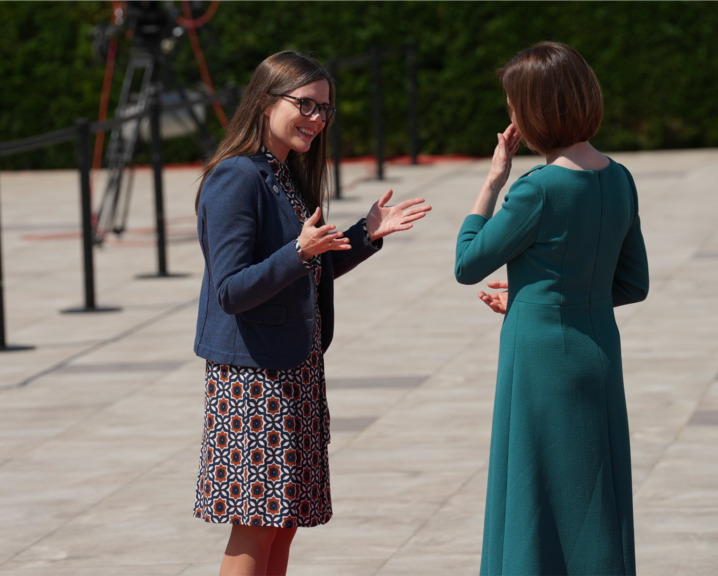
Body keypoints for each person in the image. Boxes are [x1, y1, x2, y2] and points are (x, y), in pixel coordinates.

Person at [192, 51, 431, 576]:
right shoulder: (236, 177)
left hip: (292, 371)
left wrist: (364, 236)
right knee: (256, 526)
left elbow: (304, 268)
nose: (317, 119)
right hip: (255, 380)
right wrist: (298, 252)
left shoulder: (279, 173)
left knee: (282, 522)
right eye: (306, 104)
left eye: (325, 109)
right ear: (264, 99)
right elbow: (230, 290)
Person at [455, 41, 649, 576]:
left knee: (535, 494)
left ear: (536, 110)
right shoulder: (619, 177)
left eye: (515, 105)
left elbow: (467, 262)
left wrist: (492, 181)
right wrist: (540, 294)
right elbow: (633, 283)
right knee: (593, 494)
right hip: (597, 352)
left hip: (542, 361)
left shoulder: (536, 188)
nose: (511, 116)